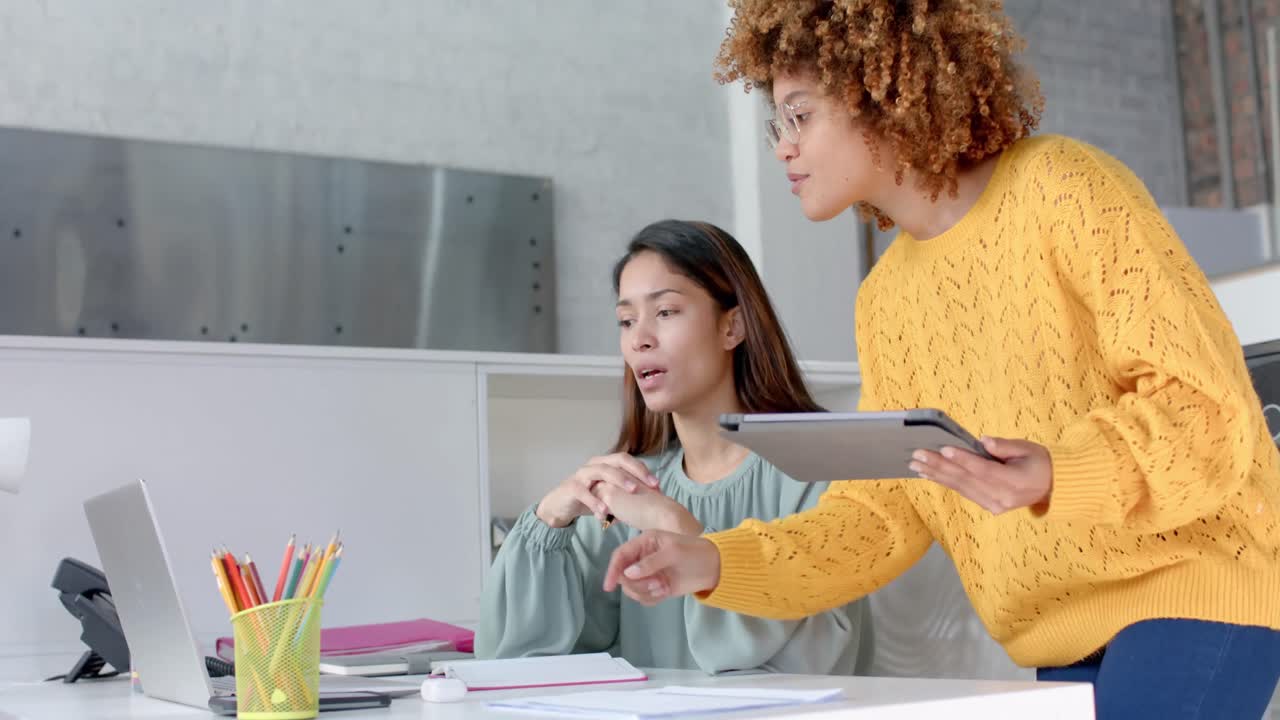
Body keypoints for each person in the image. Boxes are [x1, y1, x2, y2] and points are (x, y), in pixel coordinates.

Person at [602, 2, 1280, 717]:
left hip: (1196, 581)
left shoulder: (1065, 188)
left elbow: (1206, 413)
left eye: (800, 116)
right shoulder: (885, 300)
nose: (783, 148)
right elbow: (882, 515)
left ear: (885, 94)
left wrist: (1058, 471)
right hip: (1063, 630)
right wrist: (715, 561)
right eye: (779, 124)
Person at [475, 219, 872, 675]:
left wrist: (675, 524)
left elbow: (805, 672)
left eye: (665, 312)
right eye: (626, 321)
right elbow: (517, 665)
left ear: (732, 327)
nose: (639, 338)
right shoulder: (629, 490)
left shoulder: (817, 479)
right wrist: (550, 520)